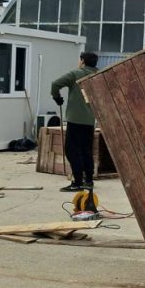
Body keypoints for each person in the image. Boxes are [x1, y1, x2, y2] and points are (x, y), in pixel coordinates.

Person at [51, 52, 99, 192]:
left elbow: (55, 84)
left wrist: (57, 98)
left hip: (75, 119)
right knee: (86, 150)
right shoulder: (98, 75)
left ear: (82, 61)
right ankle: (88, 181)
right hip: (90, 120)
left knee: (72, 150)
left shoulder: (76, 73)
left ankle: (77, 182)